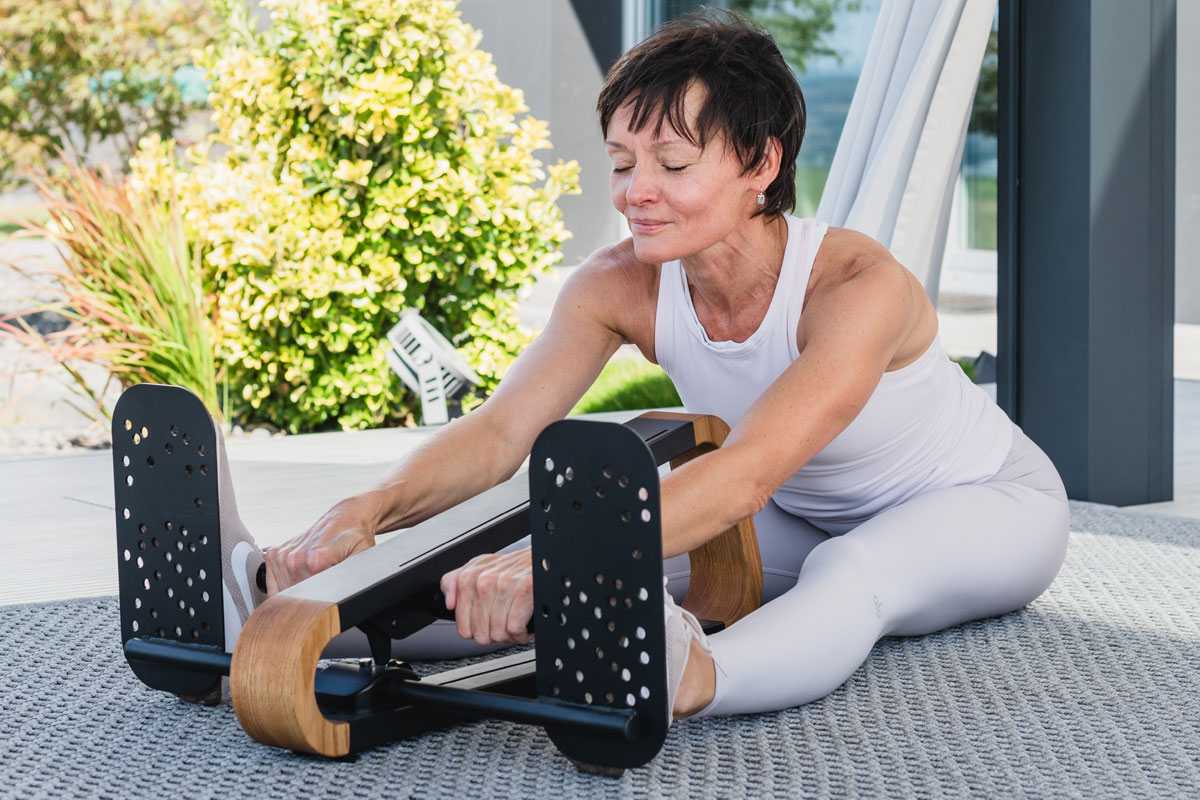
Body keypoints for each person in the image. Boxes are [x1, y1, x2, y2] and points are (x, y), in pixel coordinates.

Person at [225, 10, 1068, 722]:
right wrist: (366, 509)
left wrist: (568, 555)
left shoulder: (855, 287)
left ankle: (696, 677)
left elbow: (743, 474)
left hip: (983, 506)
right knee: (538, 555)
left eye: (671, 164)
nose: (637, 192)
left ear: (761, 164)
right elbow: (500, 433)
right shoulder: (616, 285)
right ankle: (293, 610)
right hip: (801, 508)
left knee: (847, 572)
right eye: (624, 164)